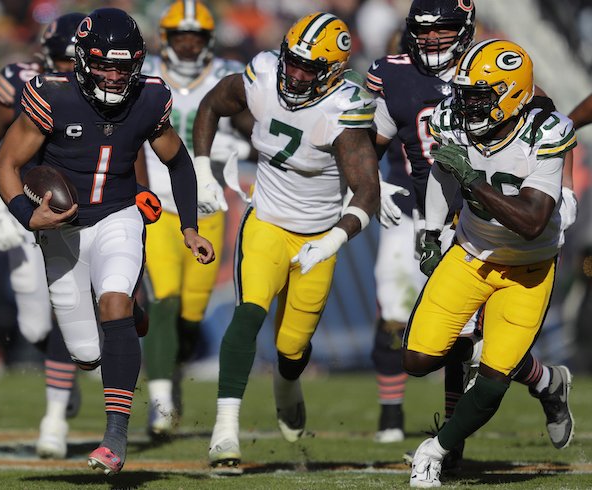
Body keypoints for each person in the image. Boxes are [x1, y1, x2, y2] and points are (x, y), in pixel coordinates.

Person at [0, 8, 215, 475]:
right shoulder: (52, 96)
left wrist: (188, 226)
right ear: (81, 60)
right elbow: (6, 165)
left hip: (119, 216)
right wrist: (24, 214)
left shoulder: (150, 97)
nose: (114, 77)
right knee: (87, 355)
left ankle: (115, 437)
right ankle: (129, 316)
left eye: (122, 65)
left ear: (137, 62)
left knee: (112, 301)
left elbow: (178, 161)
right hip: (62, 232)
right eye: (103, 65)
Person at [367, 0, 574, 460]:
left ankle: (452, 441)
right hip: (437, 209)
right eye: (424, 31)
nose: (433, 40)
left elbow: (547, 121)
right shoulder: (395, 74)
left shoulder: (498, 69)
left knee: (480, 348)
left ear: (465, 30)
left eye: (443, 30)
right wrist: (370, 184)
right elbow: (376, 143)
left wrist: (568, 190)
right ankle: (541, 380)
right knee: (434, 338)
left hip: (500, 221)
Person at [195, 12, 380, 472]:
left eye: (308, 68)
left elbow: (366, 191)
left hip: (319, 235)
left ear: (333, 72)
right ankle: (225, 431)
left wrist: (335, 238)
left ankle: (286, 385)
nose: (295, 74)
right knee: (247, 316)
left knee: (292, 349)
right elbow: (210, 106)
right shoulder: (260, 77)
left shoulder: (344, 109)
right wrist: (201, 169)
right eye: (292, 61)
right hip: (267, 223)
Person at [0, 12, 87, 460]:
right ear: (43, 58)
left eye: (78, 61)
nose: (70, 72)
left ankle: (53, 418)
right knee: (34, 323)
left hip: (83, 219)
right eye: (61, 61)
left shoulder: (114, 90)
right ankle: (64, 379)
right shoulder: (22, 85)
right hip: (28, 214)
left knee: (66, 313)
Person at [139, 0, 251, 439]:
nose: (187, 46)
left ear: (208, 42)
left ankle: (172, 369)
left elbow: (253, 123)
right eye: (180, 37)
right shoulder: (143, 71)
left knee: (191, 312)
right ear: (165, 39)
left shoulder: (227, 75)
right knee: (163, 299)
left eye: (196, 37)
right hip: (158, 207)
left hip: (207, 209)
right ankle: (162, 401)